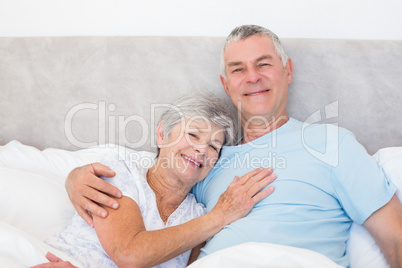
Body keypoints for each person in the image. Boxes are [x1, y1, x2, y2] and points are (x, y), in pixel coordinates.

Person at [65, 25, 402, 267]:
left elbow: (395, 237)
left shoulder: (333, 144)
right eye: (238, 69)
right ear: (227, 85)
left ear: (288, 71)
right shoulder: (206, 163)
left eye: (263, 64)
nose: (252, 77)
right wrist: (76, 178)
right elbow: (154, 204)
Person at [33, 93, 276, 267]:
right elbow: (129, 254)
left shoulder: (199, 217)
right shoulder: (121, 171)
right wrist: (221, 216)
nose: (202, 149)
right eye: (192, 134)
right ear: (162, 134)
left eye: (213, 146)